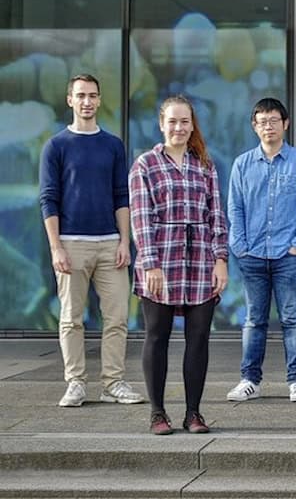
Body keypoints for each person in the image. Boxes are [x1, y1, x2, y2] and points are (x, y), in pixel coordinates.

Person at [39, 74, 144, 408]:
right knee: (71, 318)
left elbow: (121, 196)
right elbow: (48, 199)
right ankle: (76, 383)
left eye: (93, 96)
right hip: (71, 244)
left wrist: (125, 242)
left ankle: (113, 383)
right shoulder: (55, 146)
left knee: (117, 319)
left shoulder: (113, 145)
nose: (87, 101)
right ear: (69, 100)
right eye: (81, 95)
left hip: (110, 244)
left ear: (99, 100)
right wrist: (56, 247)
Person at [129, 95, 228, 435]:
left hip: (201, 260)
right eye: (172, 121)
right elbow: (141, 219)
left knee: (198, 338)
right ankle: (158, 413)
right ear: (162, 124)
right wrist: (150, 264)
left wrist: (221, 260)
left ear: (192, 124)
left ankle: (193, 413)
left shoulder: (204, 165)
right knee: (157, 336)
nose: (179, 128)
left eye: (185, 121)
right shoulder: (145, 165)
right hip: (162, 259)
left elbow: (217, 215)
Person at [226, 98, 296, 404]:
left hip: (288, 255)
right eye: (262, 121)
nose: (268, 127)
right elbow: (234, 206)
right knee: (254, 319)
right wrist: (240, 246)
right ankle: (250, 380)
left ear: (285, 124)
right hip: (252, 255)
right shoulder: (242, 164)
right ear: (254, 126)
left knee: (292, 318)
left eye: (274, 120)